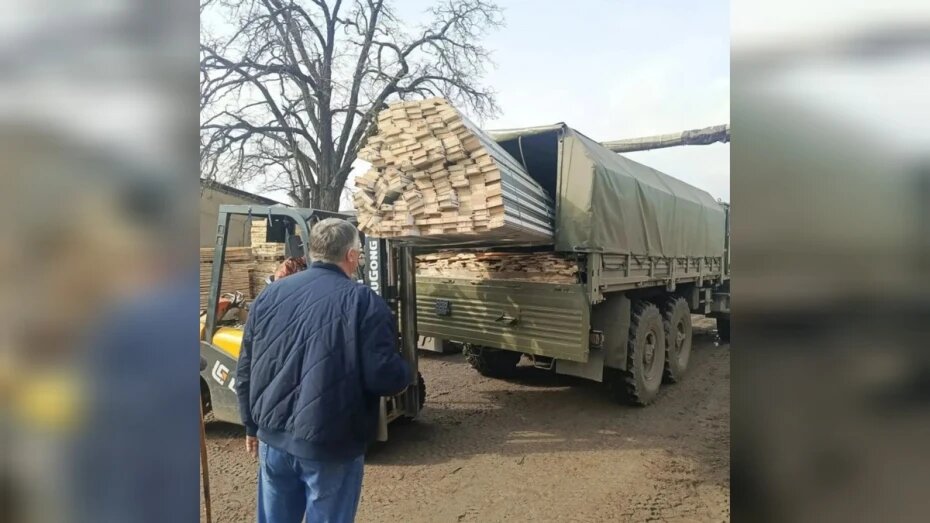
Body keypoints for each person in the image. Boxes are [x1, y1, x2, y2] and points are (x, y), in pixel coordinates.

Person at [236, 218, 411, 523]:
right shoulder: (363, 302)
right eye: (358, 253)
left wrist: (251, 426)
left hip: (273, 441)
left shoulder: (269, 295)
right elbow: (382, 377)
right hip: (331, 445)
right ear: (352, 255)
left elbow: (246, 368)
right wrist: (405, 373)